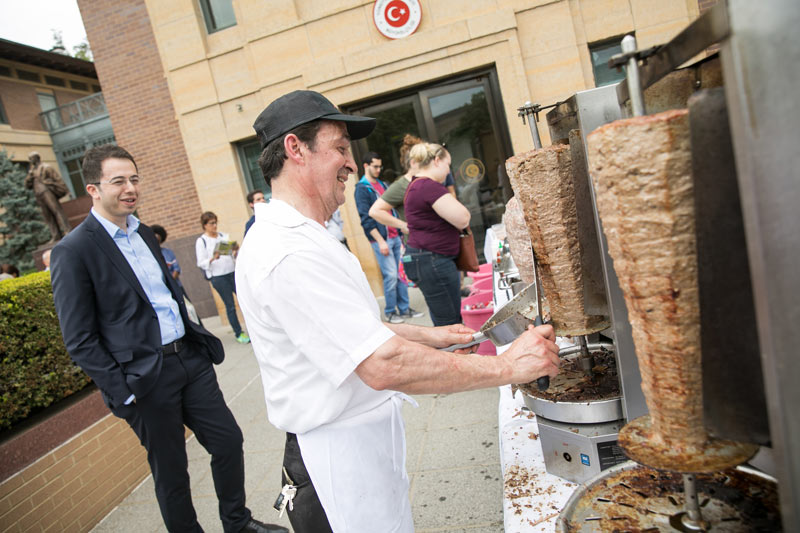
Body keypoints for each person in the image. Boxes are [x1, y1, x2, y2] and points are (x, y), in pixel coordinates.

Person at [236, 89, 560, 533]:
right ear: (296, 149)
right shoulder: (286, 251)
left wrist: (434, 336)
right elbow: (381, 363)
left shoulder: (304, 235)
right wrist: (507, 366)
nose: (350, 164)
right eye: (340, 149)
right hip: (335, 468)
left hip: (360, 449)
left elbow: (350, 328)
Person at [49, 144, 285, 533]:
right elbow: (79, 338)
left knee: (227, 441)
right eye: (119, 181)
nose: (130, 188)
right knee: (172, 471)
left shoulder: (142, 232)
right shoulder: (73, 251)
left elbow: (168, 295)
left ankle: (237, 524)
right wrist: (123, 392)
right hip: (143, 379)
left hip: (189, 361)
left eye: (135, 179)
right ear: (93, 189)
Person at [403, 143, 471, 326]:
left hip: (427, 258)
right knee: (450, 322)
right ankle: (456, 354)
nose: (449, 171)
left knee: (444, 318)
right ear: (437, 161)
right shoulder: (428, 186)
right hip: (432, 260)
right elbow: (463, 218)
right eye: (448, 165)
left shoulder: (418, 184)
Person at [354, 151, 421, 323]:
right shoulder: (362, 189)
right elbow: (366, 219)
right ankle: (391, 312)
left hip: (395, 236)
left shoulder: (383, 184)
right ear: (365, 166)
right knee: (391, 275)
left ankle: (404, 309)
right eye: (375, 166)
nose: (378, 169)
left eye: (380, 166)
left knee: (400, 274)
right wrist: (380, 241)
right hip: (381, 240)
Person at [196, 212, 250, 344]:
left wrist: (235, 250)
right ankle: (238, 332)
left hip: (232, 272)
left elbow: (231, 254)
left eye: (215, 222)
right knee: (230, 305)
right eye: (211, 223)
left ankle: (253, 327)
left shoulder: (222, 236)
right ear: (205, 225)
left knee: (246, 300)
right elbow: (200, 262)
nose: (214, 226)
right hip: (218, 277)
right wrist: (213, 258)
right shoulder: (201, 241)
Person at [24, 152, 71, 243]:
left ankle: (67, 230)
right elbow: (27, 185)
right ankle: (56, 235)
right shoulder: (32, 171)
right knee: (47, 216)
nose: (30, 161)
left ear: (36, 158)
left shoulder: (46, 167)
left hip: (47, 192)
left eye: (31, 158)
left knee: (57, 211)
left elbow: (58, 179)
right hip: (38, 195)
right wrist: (29, 176)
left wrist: (67, 190)